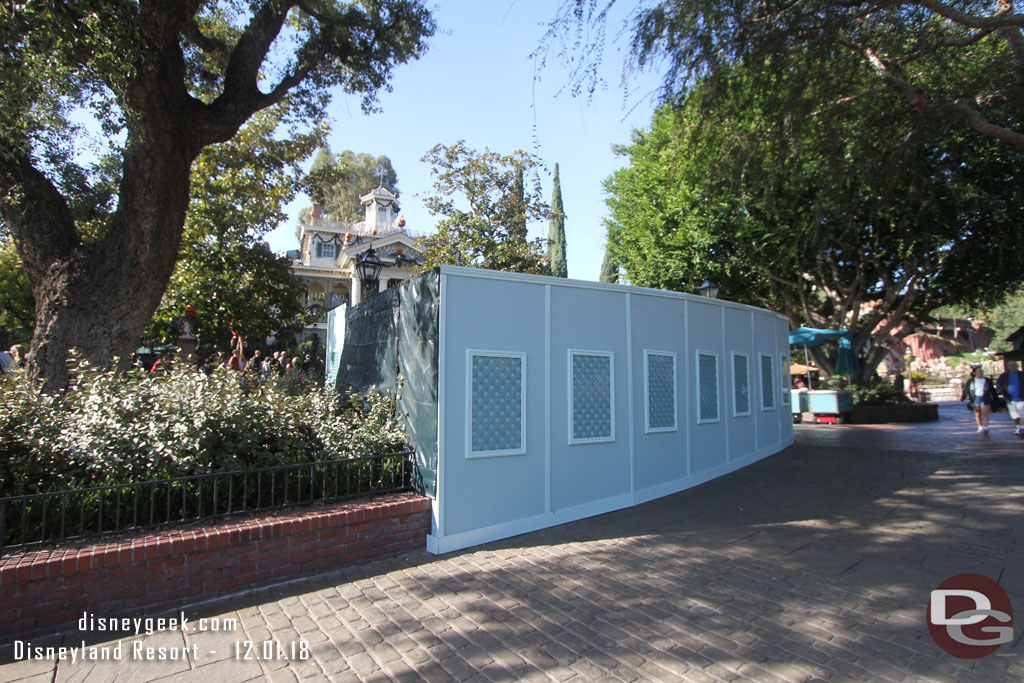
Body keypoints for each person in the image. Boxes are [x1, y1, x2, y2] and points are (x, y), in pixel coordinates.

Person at [961, 364, 998, 434]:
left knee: (985, 413)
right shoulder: (971, 381)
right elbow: (966, 389)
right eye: (979, 371)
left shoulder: (987, 380)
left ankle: (986, 427)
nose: (980, 373)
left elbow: (992, 390)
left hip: (985, 397)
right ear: (975, 373)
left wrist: (995, 397)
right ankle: (980, 426)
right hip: (976, 397)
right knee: (978, 413)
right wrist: (964, 396)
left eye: (981, 371)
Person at [997, 360, 1024, 437]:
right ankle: (1018, 427)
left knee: (1022, 414)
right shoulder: (1003, 376)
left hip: (1021, 399)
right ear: (1008, 366)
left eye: (1014, 365)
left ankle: (1022, 427)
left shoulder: (1022, 374)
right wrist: (999, 391)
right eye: (1010, 365)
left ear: (1017, 366)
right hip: (1010, 399)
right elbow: (999, 384)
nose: (1013, 366)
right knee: (1014, 416)